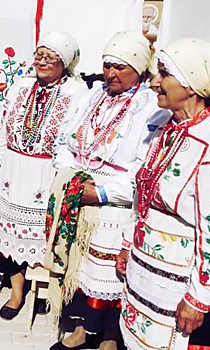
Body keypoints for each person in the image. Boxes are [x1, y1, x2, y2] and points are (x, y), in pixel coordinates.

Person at [47, 31, 170, 350]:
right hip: (78, 193)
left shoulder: (152, 109)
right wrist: (69, 175)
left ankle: (111, 337)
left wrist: (100, 193)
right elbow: (65, 139)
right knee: (79, 265)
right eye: (107, 65)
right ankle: (81, 330)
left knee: (109, 273)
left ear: (141, 70)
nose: (111, 73)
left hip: (114, 204)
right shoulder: (93, 94)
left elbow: (143, 172)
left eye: (120, 67)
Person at [117, 38, 210, 350]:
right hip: (145, 272)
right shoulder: (166, 128)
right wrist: (128, 244)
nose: (155, 82)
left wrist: (199, 299)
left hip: (178, 283)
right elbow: (143, 196)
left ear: (190, 84)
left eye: (164, 74)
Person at [0, 32, 88, 320]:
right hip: (15, 172)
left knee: (45, 236)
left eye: (50, 57)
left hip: (47, 174)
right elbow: (4, 130)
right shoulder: (20, 86)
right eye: (39, 55)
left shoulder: (77, 93)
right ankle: (17, 291)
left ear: (64, 63)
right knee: (11, 235)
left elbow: (76, 140)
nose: (41, 61)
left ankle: (42, 290)